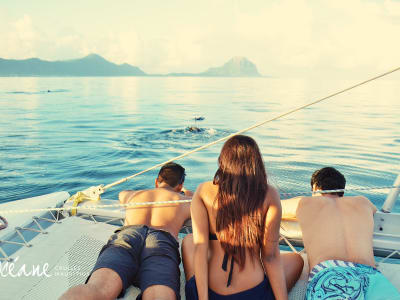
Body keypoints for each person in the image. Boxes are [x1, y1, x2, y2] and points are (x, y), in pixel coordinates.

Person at [182, 135, 304, 300]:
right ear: (256, 163)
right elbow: (270, 257)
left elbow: (200, 251)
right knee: (296, 260)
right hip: (253, 294)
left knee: (190, 241)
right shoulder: (269, 194)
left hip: (211, 293)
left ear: (222, 161)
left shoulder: (203, 191)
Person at [60, 162, 193, 300]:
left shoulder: (134, 195)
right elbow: (203, 201)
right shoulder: (184, 201)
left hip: (128, 235)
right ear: (180, 185)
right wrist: (186, 193)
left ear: (156, 181)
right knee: (159, 295)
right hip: (160, 241)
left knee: (98, 288)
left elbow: (122, 194)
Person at [281, 167, 400, 299]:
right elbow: (372, 212)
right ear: (342, 190)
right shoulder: (363, 202)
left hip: (332, 276)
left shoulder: (304, 202)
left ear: (315, 188)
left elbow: (271, 208)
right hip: (371, 276)